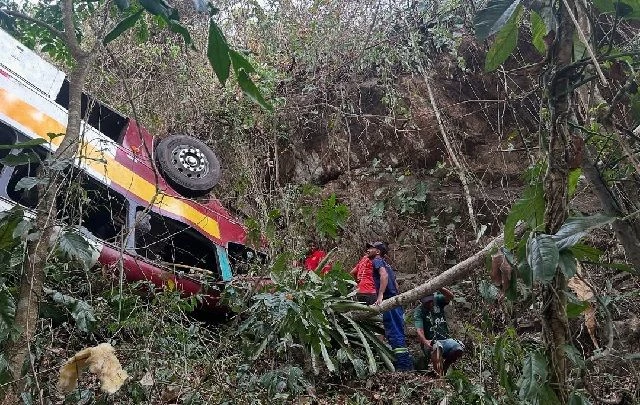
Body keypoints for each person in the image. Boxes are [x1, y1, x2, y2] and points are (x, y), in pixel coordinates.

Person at [367, 241, 413, 371]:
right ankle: (407, 365)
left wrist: (380, 295)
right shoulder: (387, 265)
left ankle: (403, 367)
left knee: (394, 333)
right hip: (395, 303)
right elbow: (396, 284)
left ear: (378, 252)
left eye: (371, 248)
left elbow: (384, 276)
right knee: (398, 331)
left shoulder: (377, 261)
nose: (368, 250)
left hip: (389, 302)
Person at [414, 287, 464, 376]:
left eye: (431, 301)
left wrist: (439, 287)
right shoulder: (419, 311)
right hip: (431, 342)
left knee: (459, 348)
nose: (429, 304)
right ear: (421, 301)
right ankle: (439, 376)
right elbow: (419, 330)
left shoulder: (438, 301)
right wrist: (425, 341)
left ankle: (445, 368)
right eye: (426, 302)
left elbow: (450, 296)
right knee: (437, 347)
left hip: (445, 340)